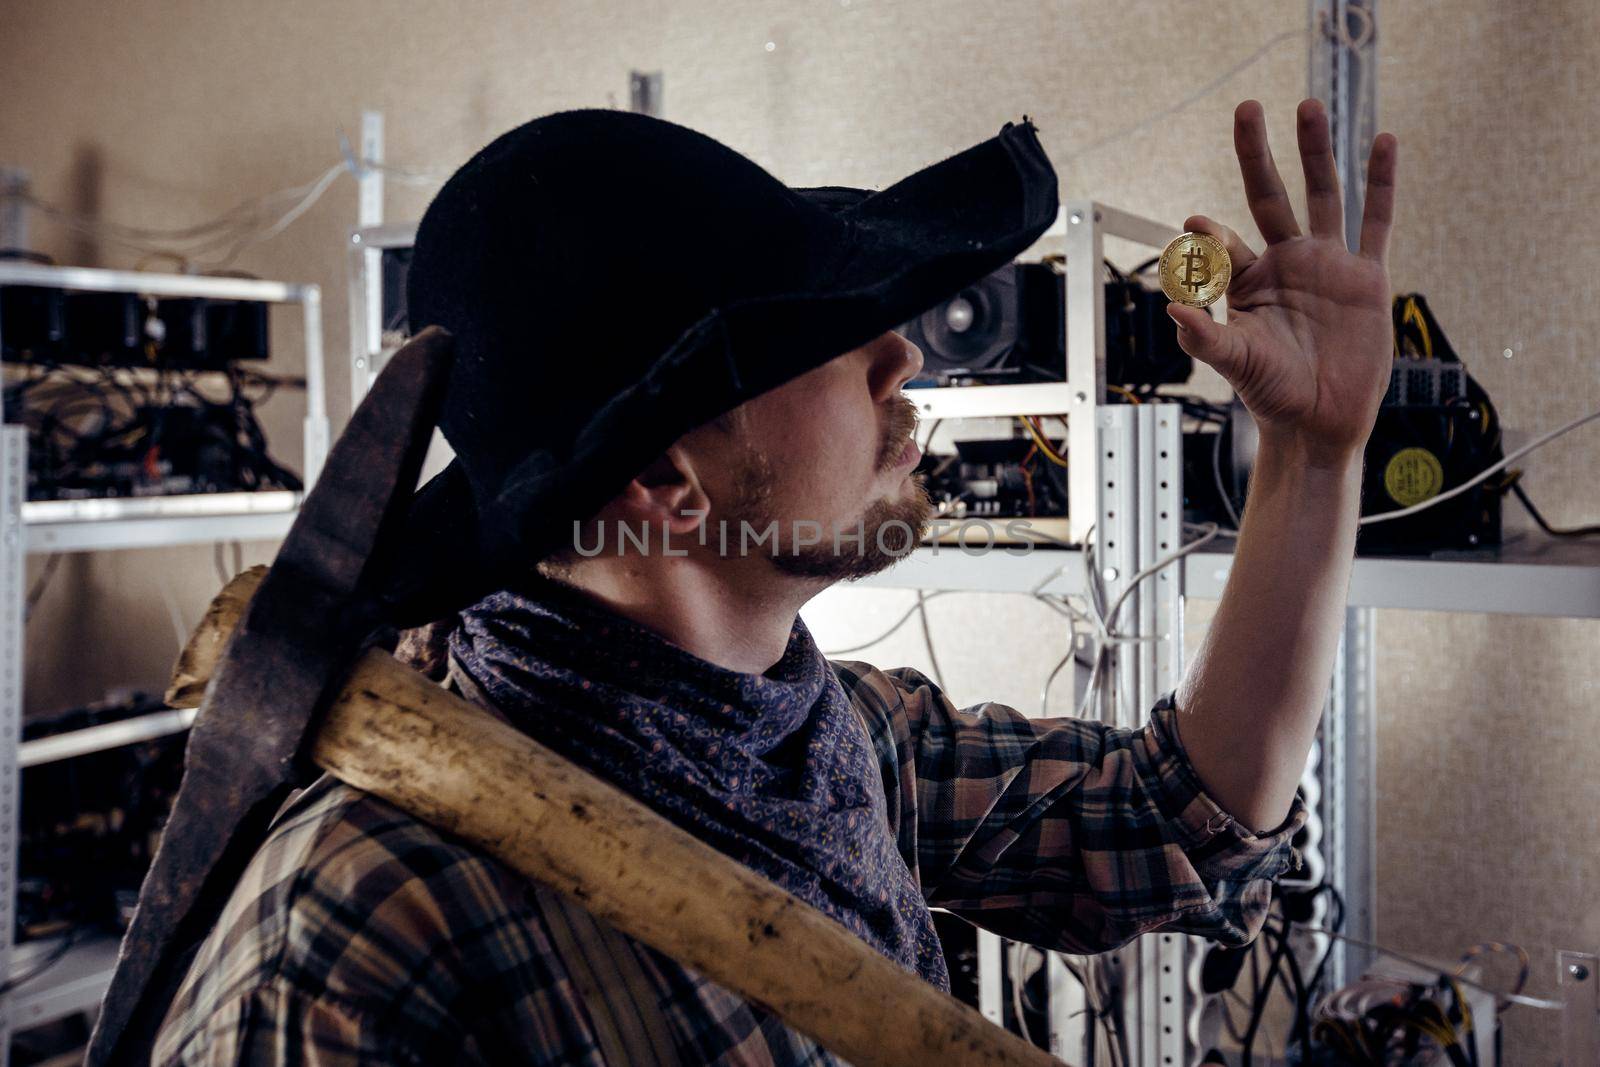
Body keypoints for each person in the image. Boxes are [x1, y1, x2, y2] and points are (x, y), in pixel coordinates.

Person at [151, 97, 1397, 1064]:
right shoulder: (355, 931)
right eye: (818, 334)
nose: (898, 349)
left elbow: (1174, 820)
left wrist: (1310, 451)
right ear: (662, 483)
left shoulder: (825, 735)